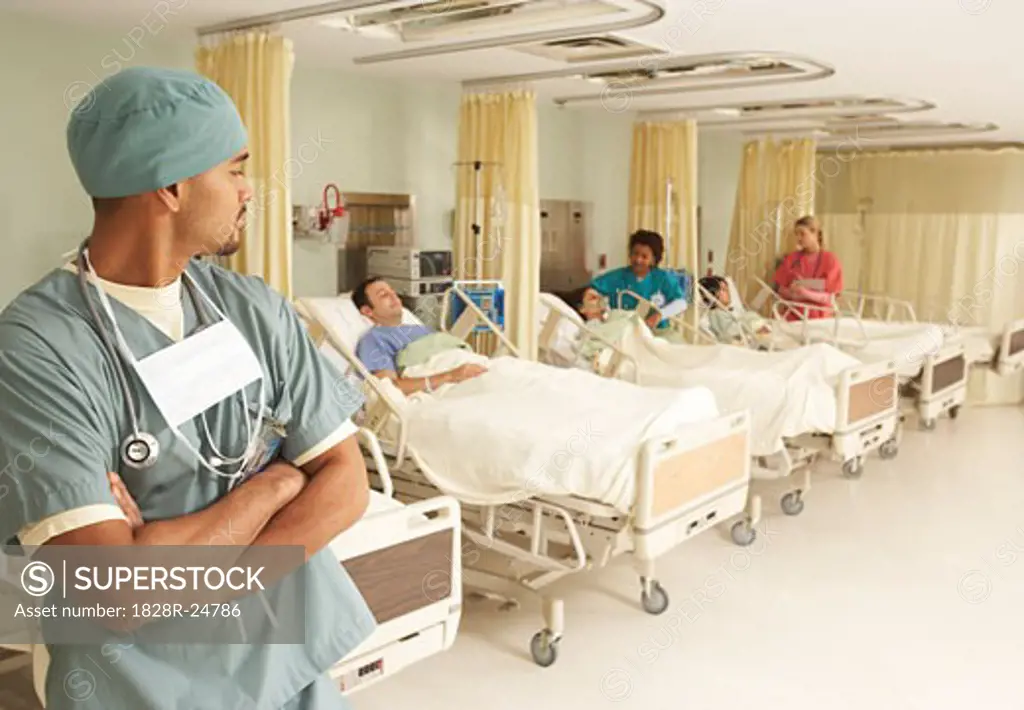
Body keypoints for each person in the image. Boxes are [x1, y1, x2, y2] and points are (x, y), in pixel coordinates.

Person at [0, 67, 376, 709]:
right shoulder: (36, 348)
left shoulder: (254, 308)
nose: (247, 190)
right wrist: (281, 480)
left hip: (290, 670)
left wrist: (187, 570)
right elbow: (118, 590)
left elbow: (346, 483)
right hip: (140, 686)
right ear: (171, 186)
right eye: (234, 168)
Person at [353, 277, 486, 393]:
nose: (394, 296)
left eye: (392, 292)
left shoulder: (421, 329)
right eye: (384, 295)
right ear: (367, 311)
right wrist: (451, 376)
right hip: (450, 382)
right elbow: (391, 388)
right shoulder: (374, 338)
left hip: (474, 367)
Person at [589, 229, 687, 330]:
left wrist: (660, 315)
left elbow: (681, 303)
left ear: (653, 260)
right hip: (624, 332)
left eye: (644, 256)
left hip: (658, 332)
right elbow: (592, 290)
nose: (638, 260)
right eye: (635, 254)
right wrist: (596, 310)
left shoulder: (662, 278)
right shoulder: (617, 277)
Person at [772, 215, 843, 320]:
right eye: (796, 234)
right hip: (792, 316)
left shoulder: (830, 260)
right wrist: (792, 294)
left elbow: (832, 297)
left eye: (802, 233)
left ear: (815, 234)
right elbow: (779, 288)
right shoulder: (792, 259)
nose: (798, 238)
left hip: (819, 318)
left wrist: (805, 294)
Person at [698, 275, 772, 344]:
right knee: (749, 317)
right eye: (723, 290)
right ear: (712, 295)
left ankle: (762, 329)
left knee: (750, 315)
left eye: (727, 289)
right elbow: (728, 332)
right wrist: (751, 328)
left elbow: (742, 317)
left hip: (747, 336)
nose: (728, 292)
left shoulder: (727, 310)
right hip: (735, 342)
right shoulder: (716, 313)